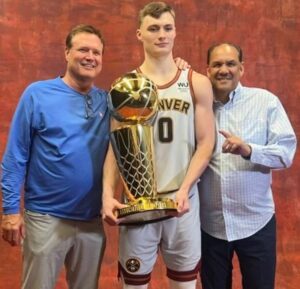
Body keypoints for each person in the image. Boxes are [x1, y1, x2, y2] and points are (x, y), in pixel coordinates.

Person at [102, 2, 215, 289]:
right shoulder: (125, 87)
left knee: (184, 285)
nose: (161, 34)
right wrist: (106, 195)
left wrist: (186, 187)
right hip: (137, 204)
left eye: (167, 28)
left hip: (182, 202)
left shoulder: (195, 82)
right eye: (153, 28)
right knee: (135, 285)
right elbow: (116, 148)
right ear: (139, 33)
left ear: (175, 32)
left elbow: (206, 143)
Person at [1, 24, 110, 289]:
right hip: (45, 218)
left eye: (96, 52)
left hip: (91, 222)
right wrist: (10, 211)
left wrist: (177, 64)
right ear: (67, 53)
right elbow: (16, 156)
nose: (90, 57)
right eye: (83, 49)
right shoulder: (37, 94)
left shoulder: (107, 102)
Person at [198, 42, 297, 289]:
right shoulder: (198, 106)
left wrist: (250, 150)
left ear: (241, 68)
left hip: (256, 223)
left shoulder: (265, 102)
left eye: (231, 64)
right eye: (217, 64)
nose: (224, 70)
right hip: (210, 226)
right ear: (207, 70)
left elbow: (286, 154)